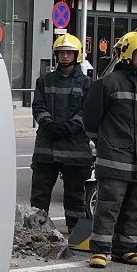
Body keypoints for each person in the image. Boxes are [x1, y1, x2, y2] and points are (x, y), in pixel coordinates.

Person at [82, 31, 137, 269]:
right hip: (115, 158)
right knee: (109, 204)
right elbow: (90, 121)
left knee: (136, 206)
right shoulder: (108, 83)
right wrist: (106, 144)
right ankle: (99, 250)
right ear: (128, 53)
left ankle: (127, 249)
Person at [29, 33, 93, 233]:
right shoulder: (44, 81)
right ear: (56, 55)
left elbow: (88, 111)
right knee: (40, 192)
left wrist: (71, 126)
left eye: (69, 53)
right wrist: (48, 124)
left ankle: (76, 231)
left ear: (77, 55)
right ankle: (36, 230)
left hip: (75, 148)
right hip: (47, 148)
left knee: (75, 193)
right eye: (61, 52)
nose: (65, 56)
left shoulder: (87, 84)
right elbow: (38, 106)